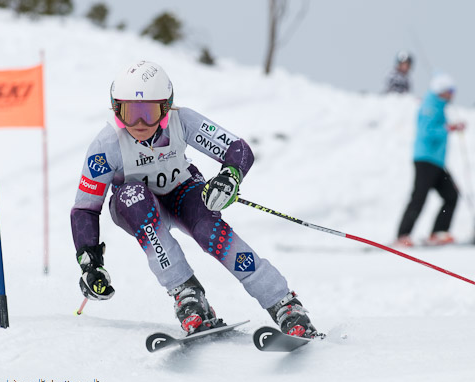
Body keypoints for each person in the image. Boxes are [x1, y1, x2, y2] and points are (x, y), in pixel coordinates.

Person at [70, 60, 319, 338]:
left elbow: (238, 149)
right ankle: (187, 294)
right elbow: (85, 209)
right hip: (134, 206)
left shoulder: (182, 121)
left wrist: (230, 176)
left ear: (166, 108)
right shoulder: (106, 146)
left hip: (182, 193)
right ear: (116, 110)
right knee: (134, 197)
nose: (139, 124)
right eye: (129, 113)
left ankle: (283, 303)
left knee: (210, 231)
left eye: (149, 113)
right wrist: (90, 263)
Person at [396, 73, 466, 247]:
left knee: (451, 195)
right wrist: (448, 128)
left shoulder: (440, 107)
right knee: (419, 197)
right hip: (425, 159)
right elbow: (427, 132)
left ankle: (438, 233)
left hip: (437, 162)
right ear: (441, 90)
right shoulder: (430, 105)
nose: (452, 94)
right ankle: (403, 235)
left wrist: (450, 127)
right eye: (450, 90)